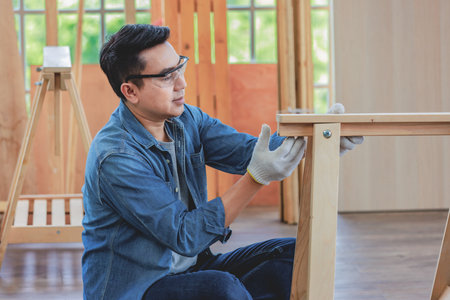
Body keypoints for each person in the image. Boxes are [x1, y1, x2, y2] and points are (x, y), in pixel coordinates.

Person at [81, 24, 363, 300]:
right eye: (167, 76)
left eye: (180, 67)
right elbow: (184, 236)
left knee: (295, 256)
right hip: (138, 289)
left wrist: (315, 141)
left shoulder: (186, 120)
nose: (182, 83)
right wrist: (255, 179)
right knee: (220, 289)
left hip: (191, 269)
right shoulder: (116, 156)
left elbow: (251, 151)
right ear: (130, 91)